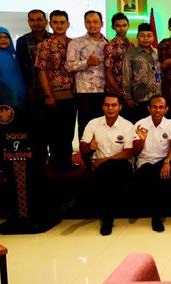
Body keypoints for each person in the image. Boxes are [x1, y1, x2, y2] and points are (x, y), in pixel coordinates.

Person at [79, 94, 134, 236]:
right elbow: (83, 147)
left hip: (121, 165)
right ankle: (108, 218)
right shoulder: (93, 123)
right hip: (100, 168)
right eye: (107, 105)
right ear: (102, 107)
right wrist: (90, 147)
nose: (110, 108)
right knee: (107, 177)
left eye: (114, 105)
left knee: (108, 170)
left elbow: (128, 153)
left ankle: (104, 217)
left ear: (120, 107)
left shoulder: (127, 125)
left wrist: (103, 161)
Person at [35, 10, 78, 171]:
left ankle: (67, 161)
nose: (59, 25)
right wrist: (48, 95)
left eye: (62, 22)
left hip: (73, 94)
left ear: (68, 24)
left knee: (68, 131)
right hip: (54, 95)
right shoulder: (44, 45)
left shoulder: (73, 43)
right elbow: (41, 71)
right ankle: (55, 163)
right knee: (54, 131)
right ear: (50, 24)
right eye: (56, 22)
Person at [0, 26, 27, 176]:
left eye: (6, 36)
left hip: (20, 104)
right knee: (0, 136)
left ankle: (18, 168)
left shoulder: (14, 56)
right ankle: (2, 169)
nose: (3, 39)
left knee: (18, 135)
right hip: (0, 105)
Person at [132, 95, 171, 232]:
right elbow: (135, 151)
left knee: (156, 177)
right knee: (154, 176)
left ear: (166, 109)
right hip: (145, 162)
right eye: (154, 107)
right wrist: (142, 140)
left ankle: (156, 216)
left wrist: (167, 161)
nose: (157, 110)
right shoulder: (140, 124)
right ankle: (157, 216)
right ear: (149, 108)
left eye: (161, 107)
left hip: (163, 161)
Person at [16, 9, 51, 167]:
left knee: (54, 127)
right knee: (37, 128)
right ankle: (40, 161)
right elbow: (20, 67)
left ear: (46, 21)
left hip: (54, 91)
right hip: (33, 91)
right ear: (28, 22)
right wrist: (28, 88)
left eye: (39, 19)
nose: (36, 23)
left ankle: (56, 160)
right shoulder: (22, 41)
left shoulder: (53, 38)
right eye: (32, 20)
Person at [65, 10, 107, 139]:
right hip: (84, 92)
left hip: (104, 91)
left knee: (102, 126)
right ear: (84, 24)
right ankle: (85, 152)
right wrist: (87, 63)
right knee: (85, 126)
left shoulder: (108, 43)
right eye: (88, 22)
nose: (92, 25)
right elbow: (69, 66)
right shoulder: (76, 43)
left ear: (101, 24)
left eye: (95, 22)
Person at [121, 23, 162, 124]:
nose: (146, 38)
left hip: (156, 98)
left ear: (153, 37)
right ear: (137, 37)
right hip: (138, 99)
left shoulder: (157, 53)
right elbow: (126, 77)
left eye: (149, 35)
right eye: (142, 35)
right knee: (140, 128)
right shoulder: (130, 54)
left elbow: (158, 73)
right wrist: (127, 97)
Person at [103, 13, 134, 100]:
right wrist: (117, 90)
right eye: (118, 26)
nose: (121, 28)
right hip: (115, 91)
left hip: (129, 90)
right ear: (113, 27)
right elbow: (108, 71)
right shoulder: (110, 46)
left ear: (128, 26)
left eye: (124, 25)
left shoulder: (132, 45)